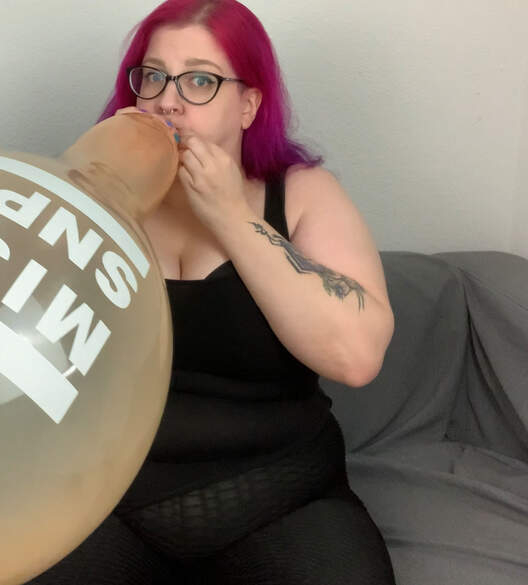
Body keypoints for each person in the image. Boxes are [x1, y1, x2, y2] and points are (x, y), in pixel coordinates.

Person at [27, 0, 397, 583]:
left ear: (248, 106)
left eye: (200, 81)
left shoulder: (304, 194)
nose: (167, 102)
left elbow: (356, 358)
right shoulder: (94, 201)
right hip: (111, 497)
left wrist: (230, 216)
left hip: (281, 493)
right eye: (153, 77)